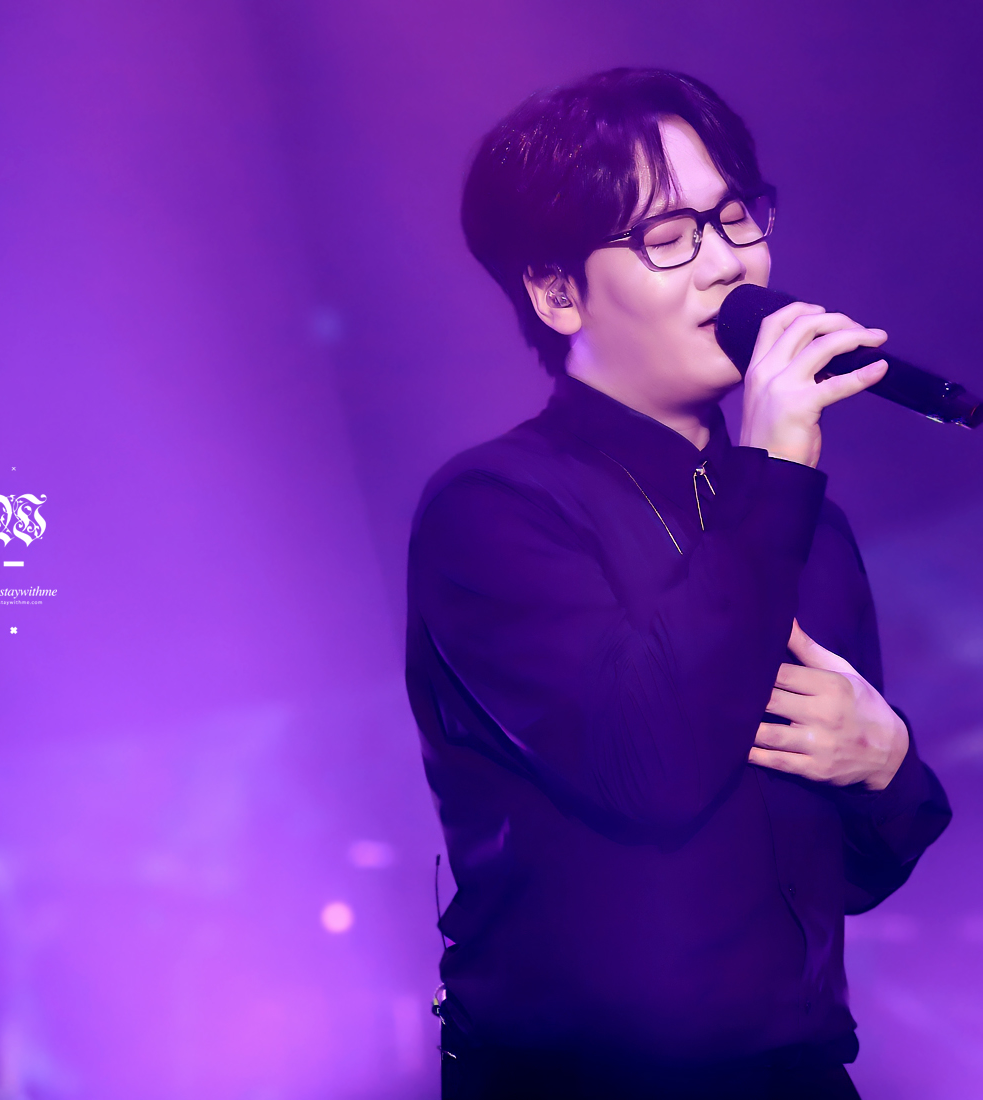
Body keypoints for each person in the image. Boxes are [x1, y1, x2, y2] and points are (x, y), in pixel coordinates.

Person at [404, 68, 952, 1099]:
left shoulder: (806, 526)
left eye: (736, 217)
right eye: (669, 236)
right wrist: (776, 465)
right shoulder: (493, 508)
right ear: (557, 291)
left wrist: (888, 765)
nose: (728, 263)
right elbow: (651, 769)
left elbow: (834, 879)